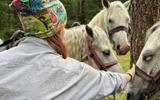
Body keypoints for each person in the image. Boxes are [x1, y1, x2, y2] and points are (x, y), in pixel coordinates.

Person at [0, 0, 135, 100]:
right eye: (63, 27)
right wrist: (128, 75)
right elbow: (106, 81)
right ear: (59, 30)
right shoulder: (71, 71)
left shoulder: (3, 60)